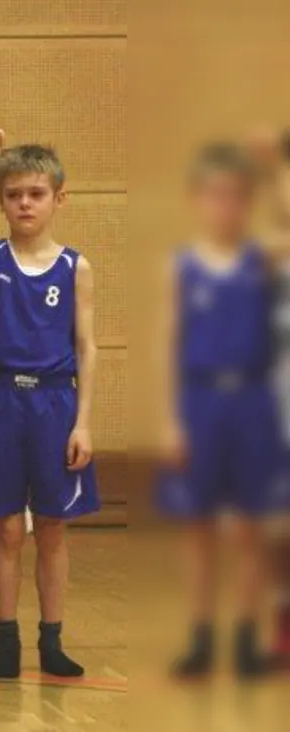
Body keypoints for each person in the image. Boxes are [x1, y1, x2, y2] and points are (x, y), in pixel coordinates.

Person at [0, 131, 100, 678]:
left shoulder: (75, 267)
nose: (25, 203)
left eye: (36, 193)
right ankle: (5, 641)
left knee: (53, 530)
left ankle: (51, 641)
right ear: (2, 199)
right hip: (1, 403)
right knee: (6, 530)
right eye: (14, 194)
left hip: (56, 405)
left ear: (59, 199)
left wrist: (83, 422)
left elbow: (86, 346)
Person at [156, 143, 287, 676]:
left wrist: (276, 164)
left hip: (253, 402)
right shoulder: (182, 267)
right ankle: (201, 636)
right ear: (197, 199)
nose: (226, 206)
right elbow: (167, 343)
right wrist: (169, 420)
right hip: (199, 400)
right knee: (198, 529)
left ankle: (245, 638)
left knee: (249, 529)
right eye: (216, 196)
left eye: (237, 196)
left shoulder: (266, 257)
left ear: (249, 200)